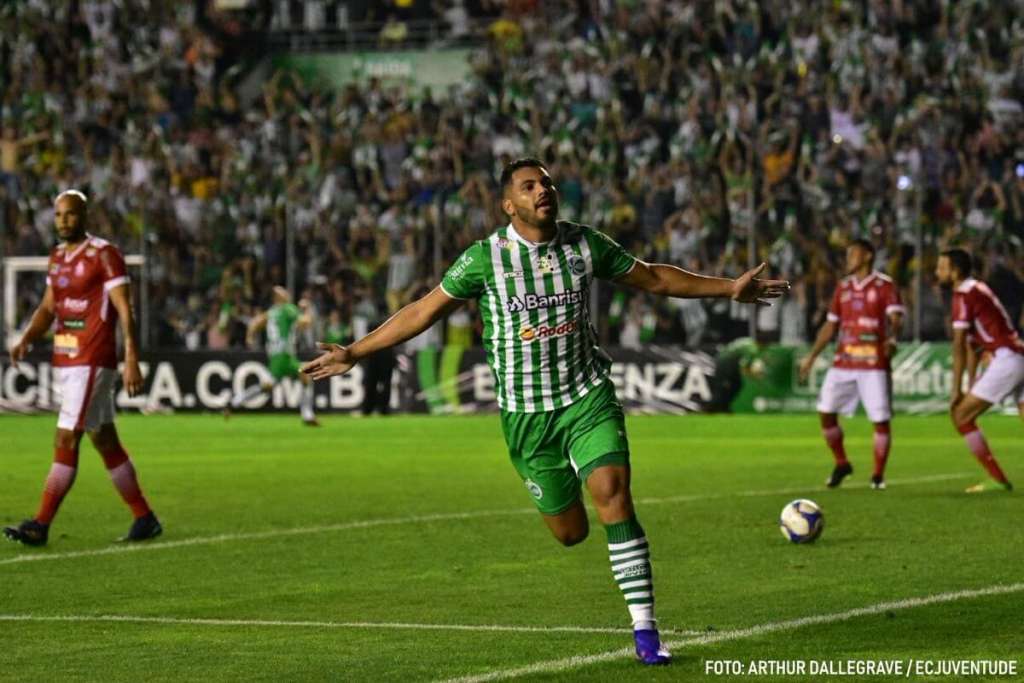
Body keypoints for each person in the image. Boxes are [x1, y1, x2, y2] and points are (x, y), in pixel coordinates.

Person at [301, 158, 789, 665]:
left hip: (586, 397)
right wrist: (355, 351)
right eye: (529, 186)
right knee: (570, 533)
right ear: (509, 205)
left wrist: (728, 287)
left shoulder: (584, 244)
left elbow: (653, 278)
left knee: (613, 494)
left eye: (547, 183)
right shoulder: (484, 259)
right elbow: (423, 310)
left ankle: (645, 631)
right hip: (528, 417)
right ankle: (570, 502)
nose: (543, 191)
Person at [4, 190, 161, 546]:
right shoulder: (57, 257)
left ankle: (40, 524)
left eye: (71, 214)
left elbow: (124, 309)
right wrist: (27, 337)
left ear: (85, 215)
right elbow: (49, 307)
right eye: (59, 214)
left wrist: (131, 357)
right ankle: (144, 517)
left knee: (65, 437)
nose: (64, 220)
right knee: (103, 438)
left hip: (93, 357)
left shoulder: (104, 254)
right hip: (69, 357)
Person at [798, 239, 904, 490]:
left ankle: (877, 475)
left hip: (873, 362)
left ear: (867, 256)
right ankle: (842, 463)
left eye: (853, 254)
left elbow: (896, 319)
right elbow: (831, 325)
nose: (848, 260)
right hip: (843, 361)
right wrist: (812, 356)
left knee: (880, 418)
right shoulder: (843, 287)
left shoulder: (885, 285)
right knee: (826, 412)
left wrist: (892, 338)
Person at [935, 248, 1022, 493]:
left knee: (960, 415)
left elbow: (959, 345)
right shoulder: (978, 288)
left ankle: (997, 479)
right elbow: (973, 346)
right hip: (1018, 354)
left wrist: (956, 390)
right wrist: (971, 383)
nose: (937, 272)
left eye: (942, 268)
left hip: (1007, 358)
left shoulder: (964, 294)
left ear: (955, 272)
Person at [225, 286, 319, 426]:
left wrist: (249, 337)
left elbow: (255, 323)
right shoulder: (287, 308)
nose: (287, 294)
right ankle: (307, 414)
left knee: (267, 386)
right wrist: (307, 308)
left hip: (274, 356)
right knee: (305, 373)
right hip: (285, 355)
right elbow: (306, 323)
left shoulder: (271, 312)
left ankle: (235, 402)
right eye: (283, 292)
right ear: (278, 297)